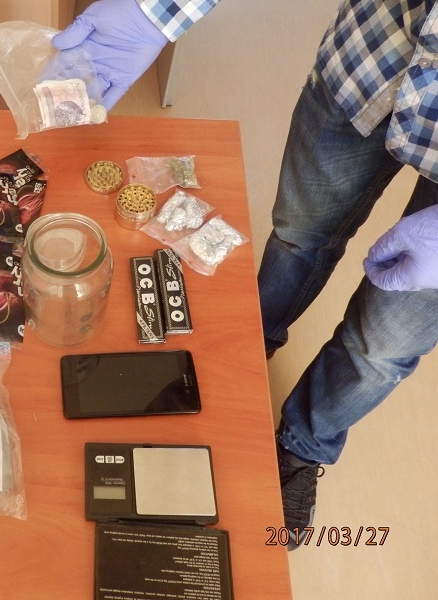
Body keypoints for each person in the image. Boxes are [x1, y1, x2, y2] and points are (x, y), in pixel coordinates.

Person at [54, 0, 438, 548]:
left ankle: (301, 447)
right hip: (372, 60)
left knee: (384, 345)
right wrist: (155, 10)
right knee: (298, 236)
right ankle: (248, 349)